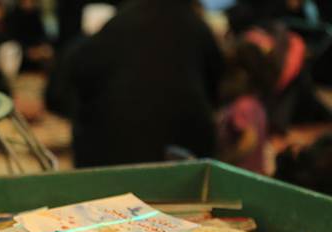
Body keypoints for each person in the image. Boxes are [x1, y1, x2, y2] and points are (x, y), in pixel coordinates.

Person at [45, 0, 223, 168]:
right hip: (183, 162)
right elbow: (216, 89)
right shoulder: (195, 27)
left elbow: (58, 89)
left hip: (111, 161)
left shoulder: (122, 22)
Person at [216, 40, 275, 174]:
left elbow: (249, 141)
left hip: (234, 176)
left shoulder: (242, 106)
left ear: (240, 75)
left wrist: (220, 162)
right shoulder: (256, 104)